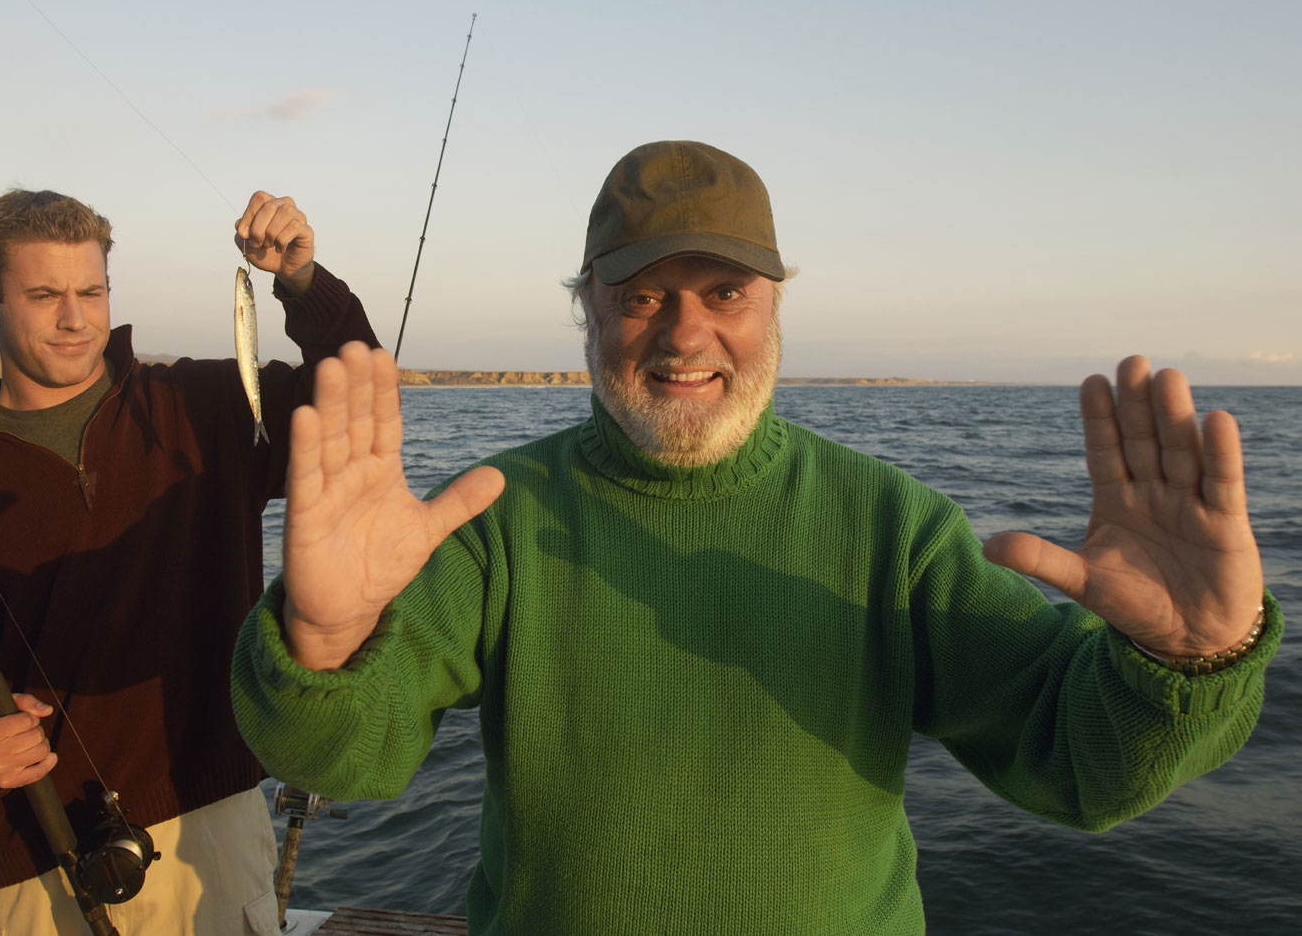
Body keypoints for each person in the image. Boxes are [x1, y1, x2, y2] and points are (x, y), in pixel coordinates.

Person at [230, 141, 1281, 935]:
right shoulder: (494, 513)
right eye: (643, 294)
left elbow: (1082, 766)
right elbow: (343, 757)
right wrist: (321, 640)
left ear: (774, 306)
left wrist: (1176, 665)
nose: (686, 335)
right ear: (586, 309)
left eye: (724, 292)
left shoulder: (888, 521)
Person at [0, 187, 379, 935]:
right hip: (33, 857)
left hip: (212, 834)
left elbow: (358, 403)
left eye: (91, 291)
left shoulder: (205, 404)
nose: (76, 318)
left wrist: (306, 286)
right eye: (45, 294)